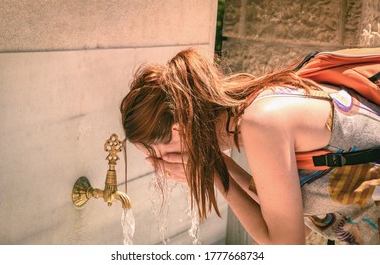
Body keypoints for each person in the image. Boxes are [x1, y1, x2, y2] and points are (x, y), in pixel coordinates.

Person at [120, 47, 380, 245]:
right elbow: (291, 218)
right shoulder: (262, 103)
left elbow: (286, 247)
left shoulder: (262, 122)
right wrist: (222, 166)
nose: (162, 166)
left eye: (158, 155)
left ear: (178, 131)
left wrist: (213, 173)